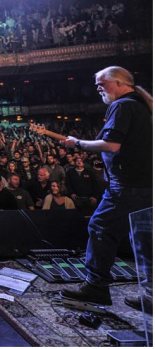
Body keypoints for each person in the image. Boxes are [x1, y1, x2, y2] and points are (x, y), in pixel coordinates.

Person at [61, 66, 153, 306]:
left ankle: (96, 286)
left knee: (101, 226)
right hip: (145, 185)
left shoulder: (122, 105)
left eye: (102, 83)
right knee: (143, 237)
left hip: (127, 186)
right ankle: (153, 295)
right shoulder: (143, 105)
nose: (98, 88)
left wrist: (78, 143)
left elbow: (112, 145)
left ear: (120, 83)